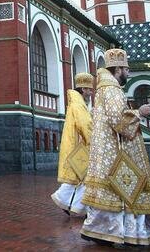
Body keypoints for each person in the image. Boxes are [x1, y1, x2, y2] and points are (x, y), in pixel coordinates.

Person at [80, 49, 150, 247]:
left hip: (107, 151)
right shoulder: (112, 89)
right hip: (117, 150)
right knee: (130, 192)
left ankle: (102, 231)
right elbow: (118, 119)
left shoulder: (105, 88)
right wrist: (138, 112)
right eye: (126, 68)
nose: (128, 72)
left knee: (115, 195)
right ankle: (138, 234)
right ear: (117, 69)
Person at [52, 72, 94, 216]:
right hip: (81, 144)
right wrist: (93, 139)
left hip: (78, 144)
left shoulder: (77, 102)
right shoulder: (78, 104)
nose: (91, 92)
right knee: (83, 177)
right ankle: (70, 202)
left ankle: (69, 202)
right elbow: (85, 124)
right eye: (89, 89)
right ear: (83, 89)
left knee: (79, 178)